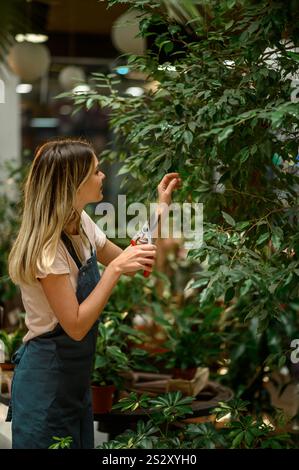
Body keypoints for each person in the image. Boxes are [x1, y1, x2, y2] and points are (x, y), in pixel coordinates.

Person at [7, 138, 181, 449]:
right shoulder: (47, 251)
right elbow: (74, 325)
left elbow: (130, 257)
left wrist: (160, 208)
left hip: (74, 383)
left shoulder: (81, 223)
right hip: (45, 384)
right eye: (95, 171)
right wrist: (114, 272)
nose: (102, 176)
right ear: (72, 184)